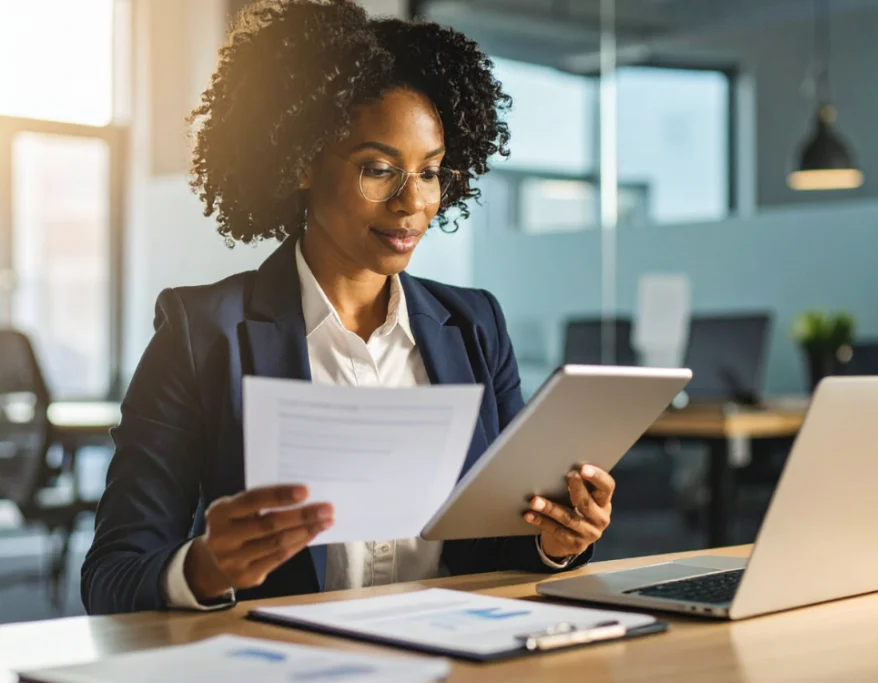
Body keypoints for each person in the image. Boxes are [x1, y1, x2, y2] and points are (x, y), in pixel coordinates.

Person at [81, 0, 617, 615]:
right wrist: (204, 567)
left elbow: (500, 549)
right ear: (304, 161)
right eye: (379, 169)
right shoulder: (202, 335)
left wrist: (554, 542)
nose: (412, 202)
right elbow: (111, 578)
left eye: (432, 172)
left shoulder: (474, 327)